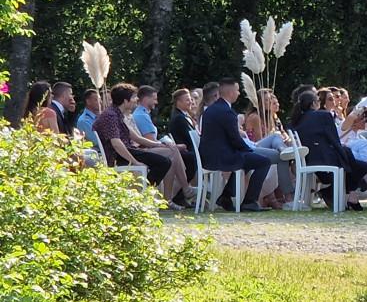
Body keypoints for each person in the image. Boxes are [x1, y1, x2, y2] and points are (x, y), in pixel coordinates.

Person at [93, 84, 182, 201]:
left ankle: (144, 194)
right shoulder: (110, 115)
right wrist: (134, 162)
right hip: (117, 156)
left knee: (165, 158)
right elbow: (116, 144)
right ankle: (142, 196)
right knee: (163, 163)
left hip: (127, 150)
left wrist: (159, 144)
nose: (136, 100)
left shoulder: (117, 113)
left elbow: (135, 137)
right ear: (125, 101)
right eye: (134, 97)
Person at [198, 78, 271, 212]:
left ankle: (226, 196)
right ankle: (250, 201)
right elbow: (235, 139)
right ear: (231, 93)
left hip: (211, 155)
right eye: (237, 90)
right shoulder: (227, 112)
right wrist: (249, 150)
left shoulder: (211, 109)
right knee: (264, 162)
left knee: (248, 161)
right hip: (221, 157)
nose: (238, 93)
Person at [290, 89, 367, 211]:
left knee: (353, 161)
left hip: (308, 160)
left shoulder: (295, 121)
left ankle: (339, 193)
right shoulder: (324, 115)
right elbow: (334, 140)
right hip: (326, 159)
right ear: (313, 104)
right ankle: (349, 192)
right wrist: (343, 152)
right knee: (361, 166)